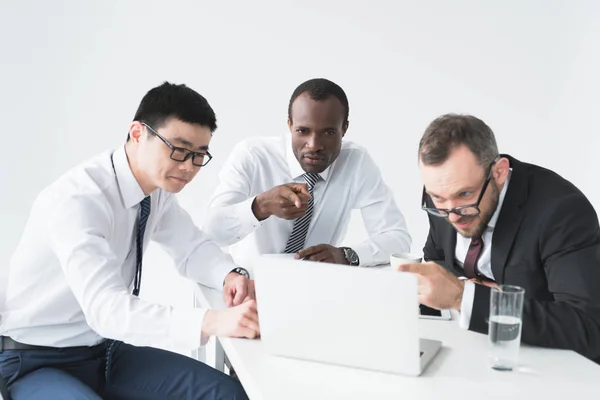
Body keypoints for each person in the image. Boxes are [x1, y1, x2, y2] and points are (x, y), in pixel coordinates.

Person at [0, 82, 259, 399]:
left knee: (226, 394)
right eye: (178, 150)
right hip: (35, 360)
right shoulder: (78, 200)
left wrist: (229, 275)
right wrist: (212, 321)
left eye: (199, 156)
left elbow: (190, 247)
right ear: (137, 133)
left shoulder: (156, 190)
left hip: (106, 353)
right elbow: (106, 310)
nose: (188, 166)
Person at [398, 113, 600, 362]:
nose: (451, 216)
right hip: (474, 351)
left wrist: (465, 296)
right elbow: (437, 259)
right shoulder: (446, 197)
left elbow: (588, 326)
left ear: (500, 172)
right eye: (437, 198)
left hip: (551, 366)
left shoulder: (561, 212)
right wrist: (468, 288)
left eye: (465, 194)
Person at [203, 78, 411, 267]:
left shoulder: (356, 162)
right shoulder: (253, 155)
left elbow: (397, 238)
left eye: (328, 133)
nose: (313, 145)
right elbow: (211, 232)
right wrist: (260, 206)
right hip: (248, 287)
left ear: (344, 129)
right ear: (290, 125)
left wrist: (347, 255)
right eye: (302, 131)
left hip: (315, 290)